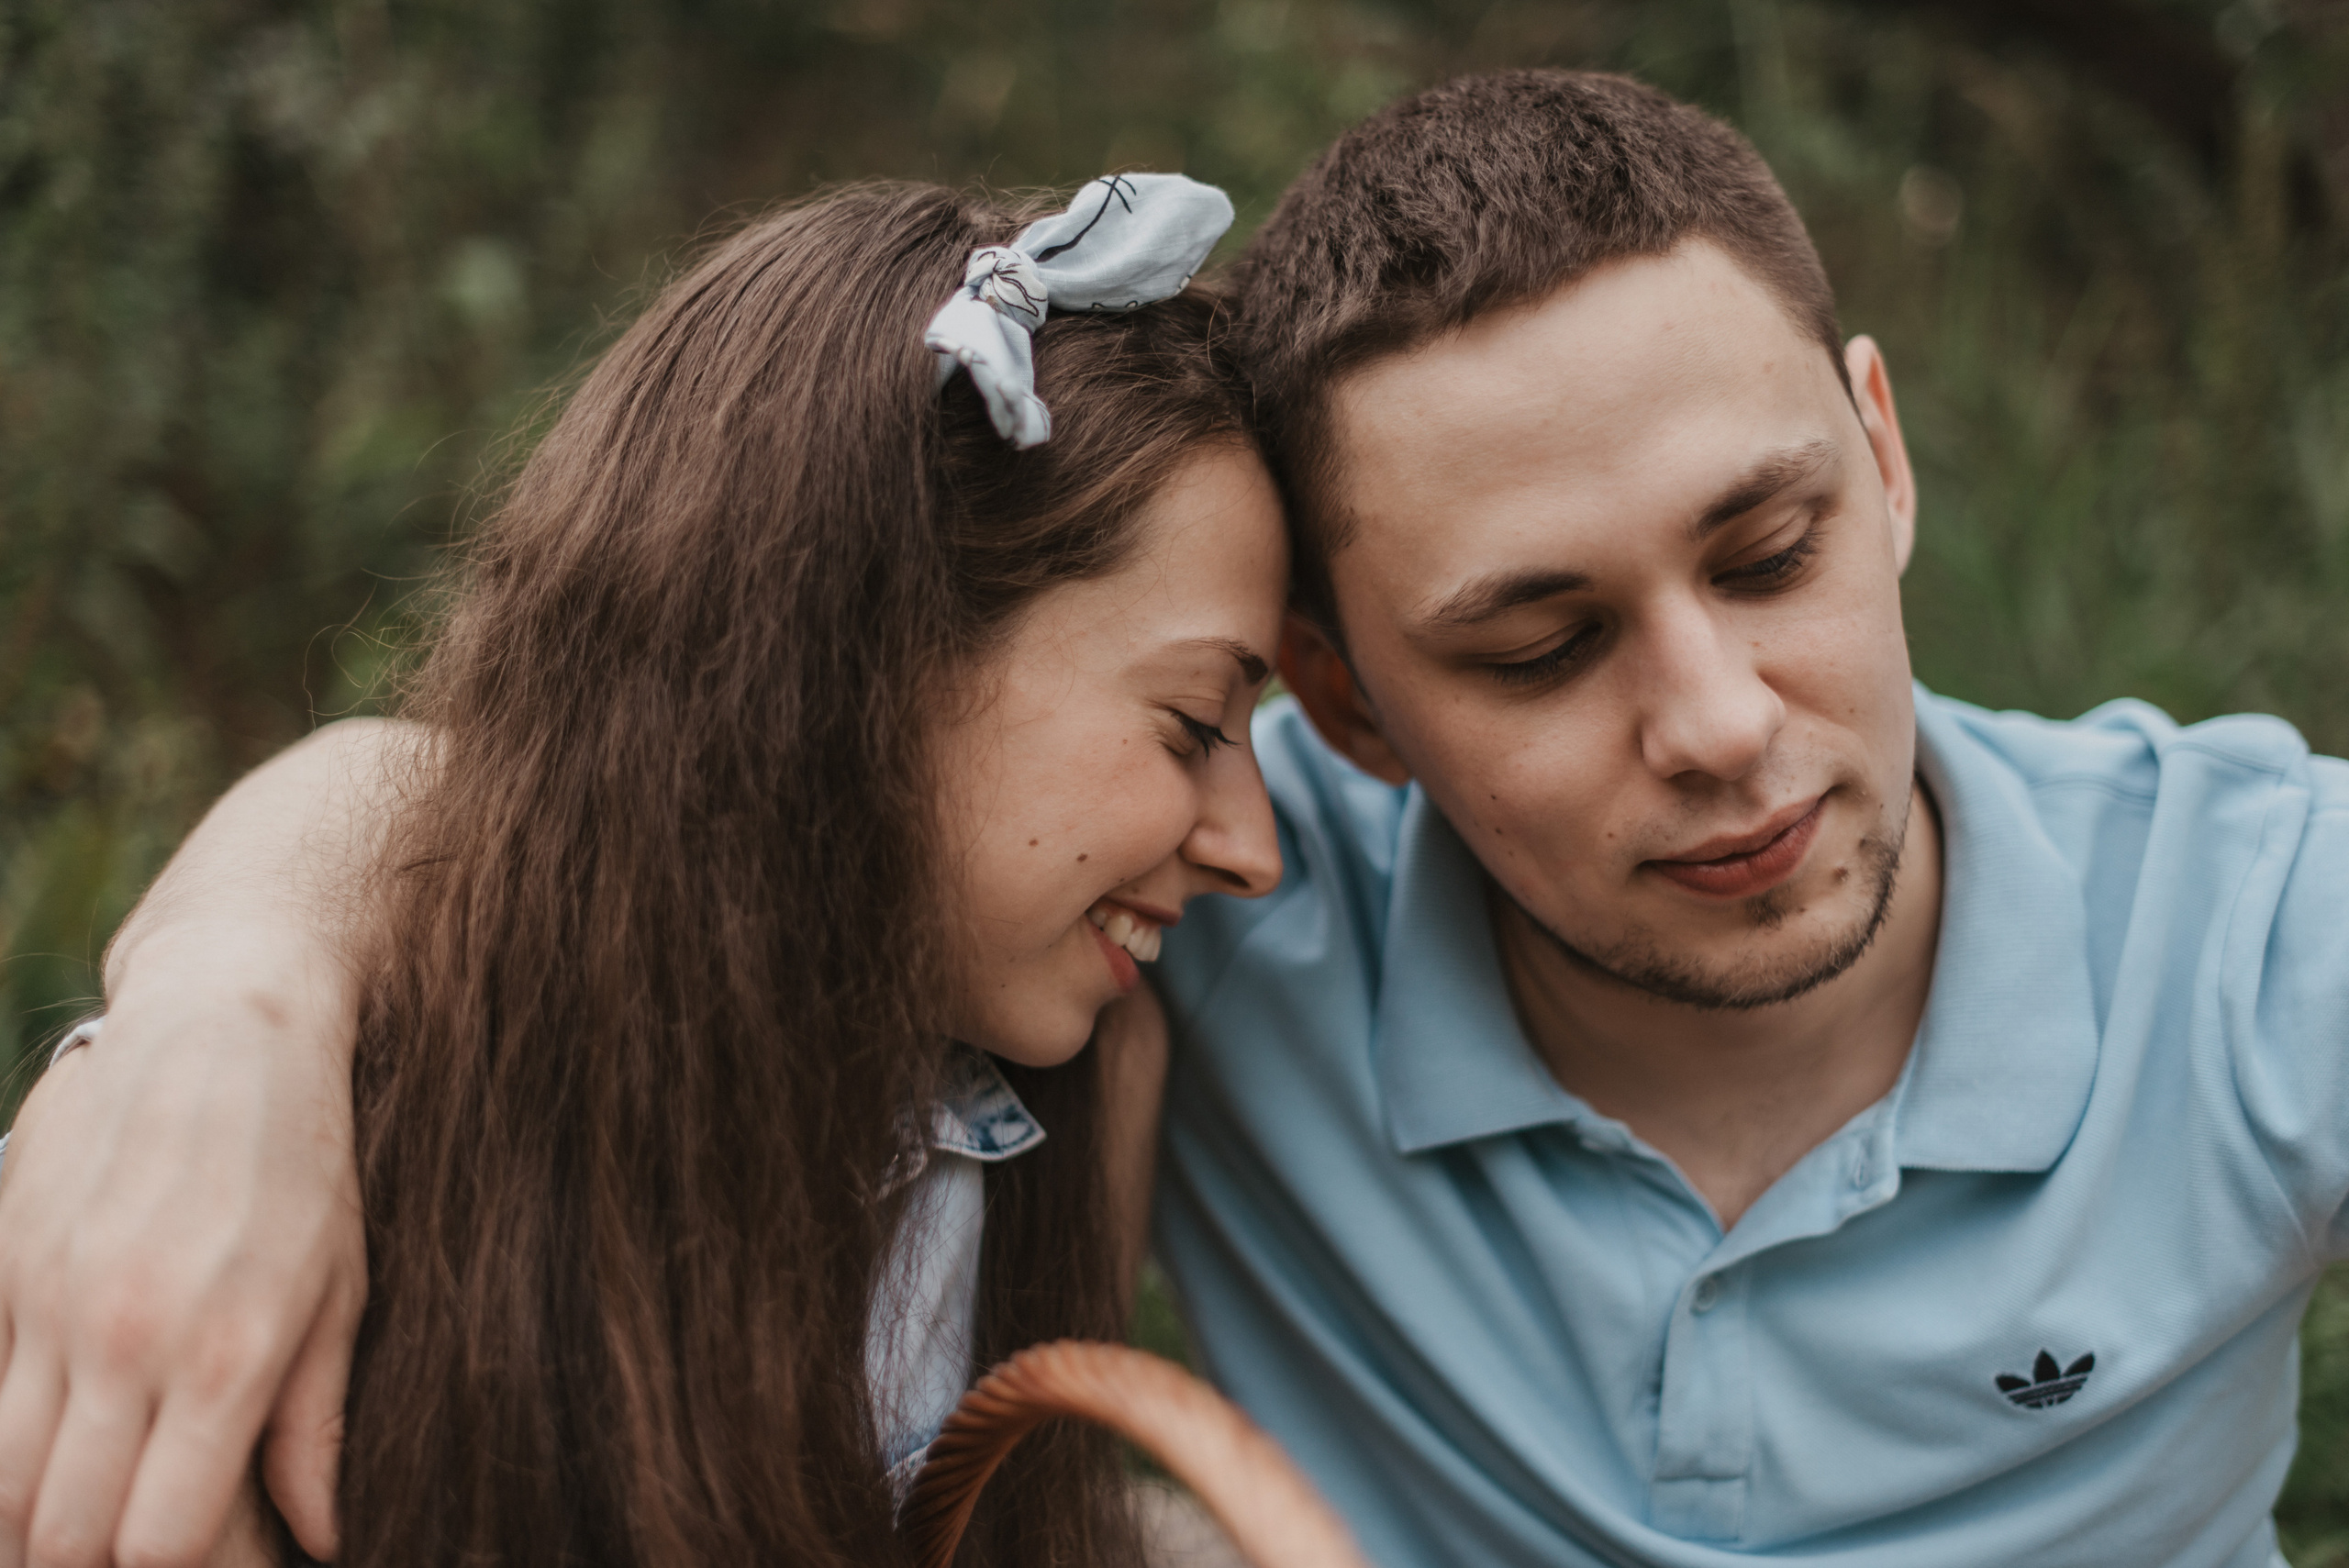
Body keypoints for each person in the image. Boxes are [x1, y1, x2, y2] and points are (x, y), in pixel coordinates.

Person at [4, 65, 2343, 1568]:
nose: (1722, 725)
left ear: (1885, 451)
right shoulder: (1194, 899)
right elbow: (530, 798)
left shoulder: (2255, 924)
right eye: (1532, 648)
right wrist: (224, 1008)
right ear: (1342, 696)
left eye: (1769, 551)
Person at [0, 172, 1284, 1568]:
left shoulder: (1052, 1094)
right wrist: (225, 999)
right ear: (877, 649)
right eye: (1194, 722)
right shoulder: (348, 1159)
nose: (1254, 846)